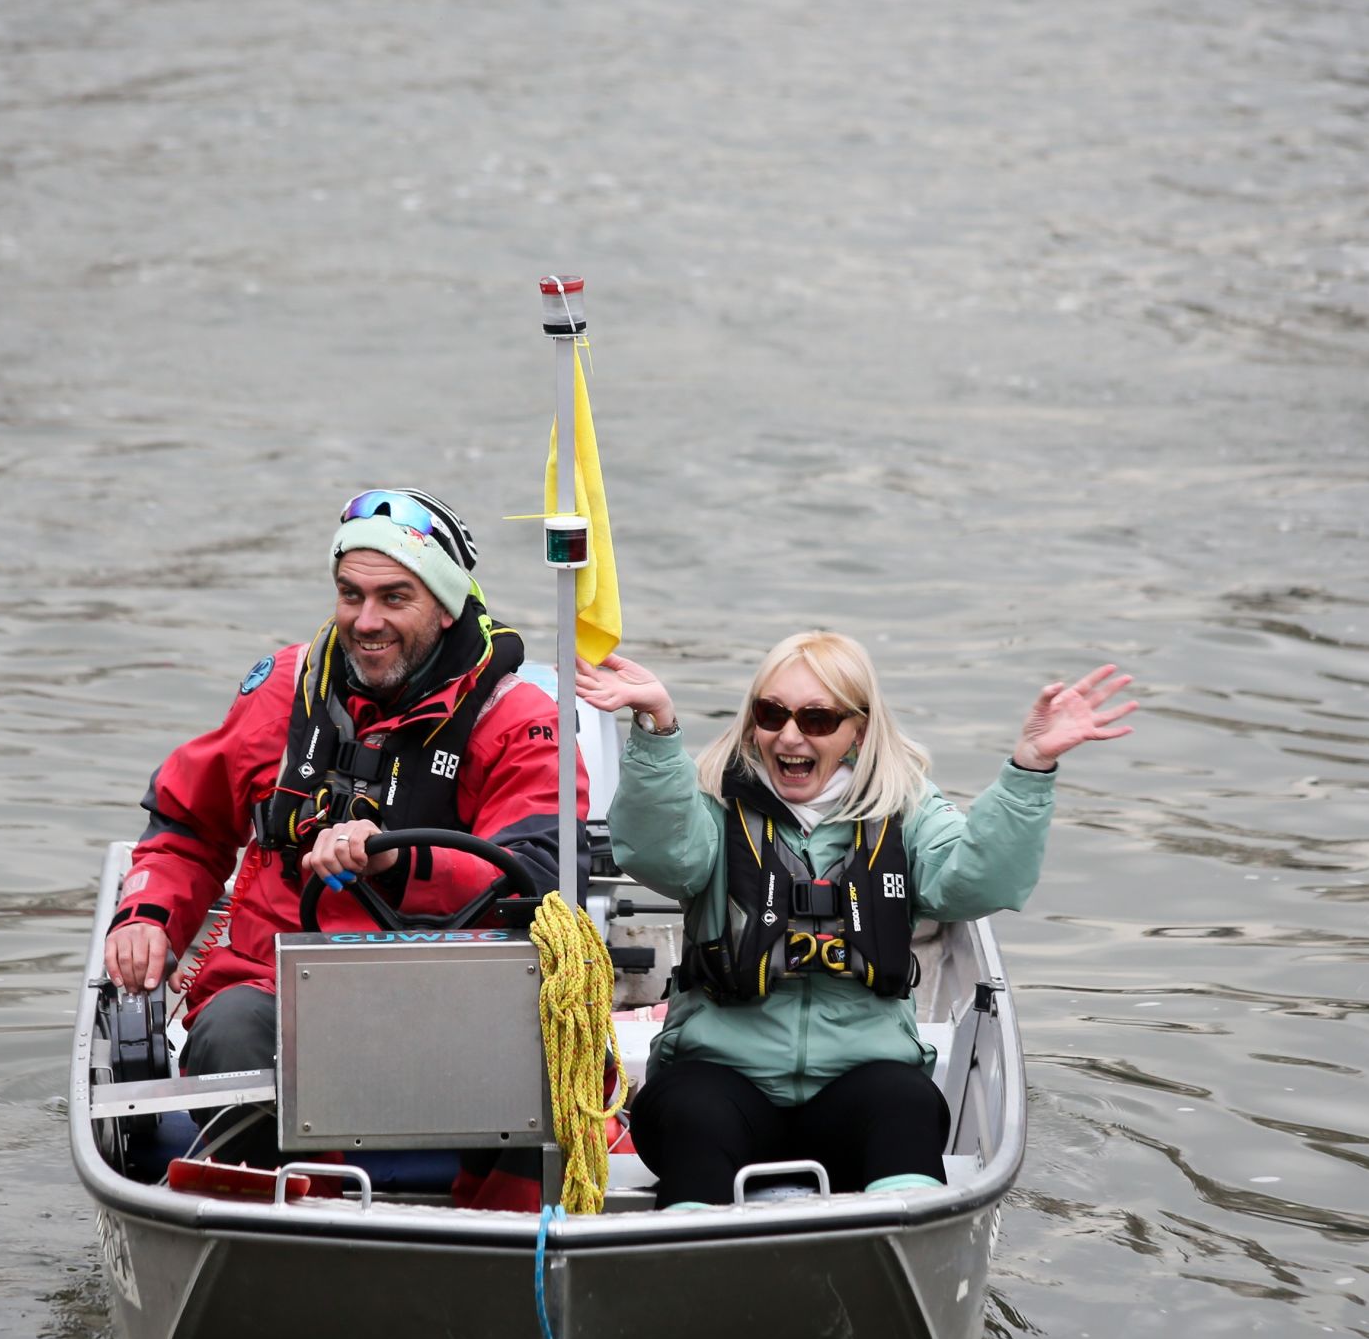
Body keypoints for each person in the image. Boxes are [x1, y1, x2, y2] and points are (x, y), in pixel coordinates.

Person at [103, 490, 586, 1203]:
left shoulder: (517, 718)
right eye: (350, 594)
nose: (367, 621)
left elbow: (540, 874)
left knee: (546, 1038)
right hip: (277, 986)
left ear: (446, 606)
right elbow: (187, 826)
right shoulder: (281, 692)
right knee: (228, 1033)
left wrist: (396, 859)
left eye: (395, 598)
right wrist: (146, 916)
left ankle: (513, 1248)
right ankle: (293, 1223)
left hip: (451, 996)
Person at [574, 631, 1133, 1209]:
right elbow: (658, 855)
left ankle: (907, 1252)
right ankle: (690, 1263)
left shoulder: (907, 808)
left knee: (907, 1105)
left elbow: (978, 883)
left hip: (860, 1085)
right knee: (689, 1112)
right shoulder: (712, 801)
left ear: (857, 730)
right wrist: (658, 729)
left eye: (817, 719)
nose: (789, 735)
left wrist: (1030, 769)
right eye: (772, 714)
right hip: (720, 1079)